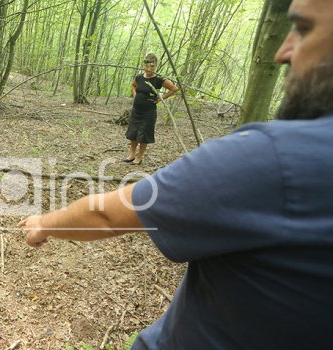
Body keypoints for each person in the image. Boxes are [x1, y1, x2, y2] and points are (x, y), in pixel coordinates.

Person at [18, 0, 333, 348]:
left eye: (303, 29)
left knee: (142, 139)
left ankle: (137, 159)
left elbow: (107, 214)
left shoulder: (269, 159)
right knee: (133, 136)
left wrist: (43, 224)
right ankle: (130, 157)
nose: (282, 52)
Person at [124, 53, 179, 165]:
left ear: (156, 66)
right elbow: (133, 85)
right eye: (147, 66)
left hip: (149, 112)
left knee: (144, 135)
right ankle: (131, 155)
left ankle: (139, 157)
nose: (149, 69)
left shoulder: (158, 79)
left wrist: (160, 98)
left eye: (152, 66)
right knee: (133, 133)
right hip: (136, 110)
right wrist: (135, 95)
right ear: (144, 65)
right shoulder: (139, 77)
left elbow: (174, 89)